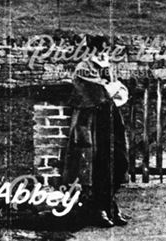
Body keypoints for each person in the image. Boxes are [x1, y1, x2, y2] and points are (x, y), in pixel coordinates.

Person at [61, 38, 130, 228]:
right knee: (99, 164)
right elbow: (96, 90)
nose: (102, 54)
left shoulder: (107, 66)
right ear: (89, 51)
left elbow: (121, 90)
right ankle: (102, 208)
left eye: (105, 51)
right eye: (98, 50)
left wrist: (114, 88)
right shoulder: (83, 68)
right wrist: (110, 89)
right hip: (92, 121)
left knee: (120, 160)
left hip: (111, 118)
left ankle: (108, 204)